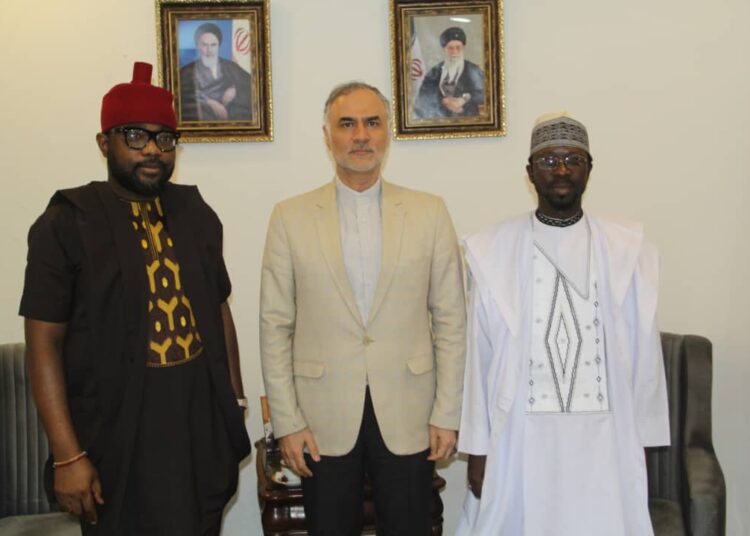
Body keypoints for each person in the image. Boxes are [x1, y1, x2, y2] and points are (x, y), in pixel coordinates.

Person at [19, 61, 251, 535]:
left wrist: (236, 402)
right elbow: (44, 342)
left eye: (164, 139)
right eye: (134, 136)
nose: (151, 149)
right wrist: (68, 454)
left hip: (195, 426)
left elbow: (218, 309)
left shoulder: (196, 213)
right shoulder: (66, 222)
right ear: (104, 143)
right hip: (116, 432)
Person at [260, 81, 466, 535]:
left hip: (410, 411)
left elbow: (451, 320)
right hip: (321, 416)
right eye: (347, 124)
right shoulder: (289, 217)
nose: (360, 136)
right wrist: (288, 422)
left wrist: (448, 413)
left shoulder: (429, 213)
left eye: (372, 123)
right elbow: (275, 327)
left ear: (387, 132)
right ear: (327, 135)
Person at [456, 113, 670, 535]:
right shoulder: (492, 250)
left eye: (573, 159)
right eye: (549, 160)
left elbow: (645, 352)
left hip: (606, 439)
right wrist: (478, 450)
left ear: (590, 169)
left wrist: (641, 439)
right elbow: (478, 359)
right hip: (520, 436)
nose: (562, 170)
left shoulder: (628, 249)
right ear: (529, 172)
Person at [179, 22, 252, 122]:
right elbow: (183, 94)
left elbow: (252, 84)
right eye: (204, 45)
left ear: (218, 46)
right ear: (198, 46)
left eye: (213, 45)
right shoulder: (186, 71)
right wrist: (210, 102)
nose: (209, 50)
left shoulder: (230, 66)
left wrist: (235, 89)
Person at [414, 26, 485, 118]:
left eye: (458, 47)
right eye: (450, 48)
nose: (454, 52)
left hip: (468, 121)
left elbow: (484, 94)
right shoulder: (434, 72)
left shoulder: (474, 70)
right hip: (440, 122)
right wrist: (444, 102)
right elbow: (423, 97)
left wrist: (463, 100)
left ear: (463, 48)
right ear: (444, 49)